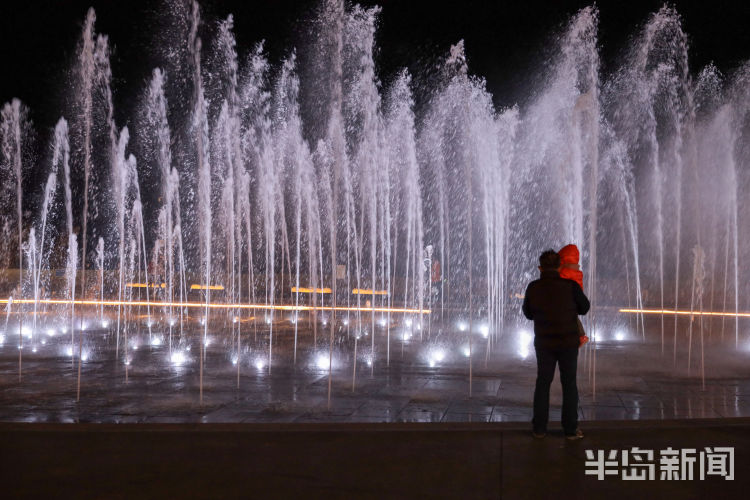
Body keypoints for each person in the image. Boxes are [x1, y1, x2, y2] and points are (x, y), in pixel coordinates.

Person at [522, 249, 590, 440]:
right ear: (560, 267)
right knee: (569, 384)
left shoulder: (533, 287)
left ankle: (539, 429)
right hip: (568, 342)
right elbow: (585, 308)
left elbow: (527, 313)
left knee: (543, 383)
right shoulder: (570, 286)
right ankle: (570, 429)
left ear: (540, 268)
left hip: (544, 343)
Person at [558, 244, 589, 347]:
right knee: (573, 316)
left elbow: (560, 280)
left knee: (569, 316)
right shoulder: (576, 270)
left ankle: (581, 336)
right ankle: (580, 335)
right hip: (574, 298)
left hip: (566, 298)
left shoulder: (565, 271)